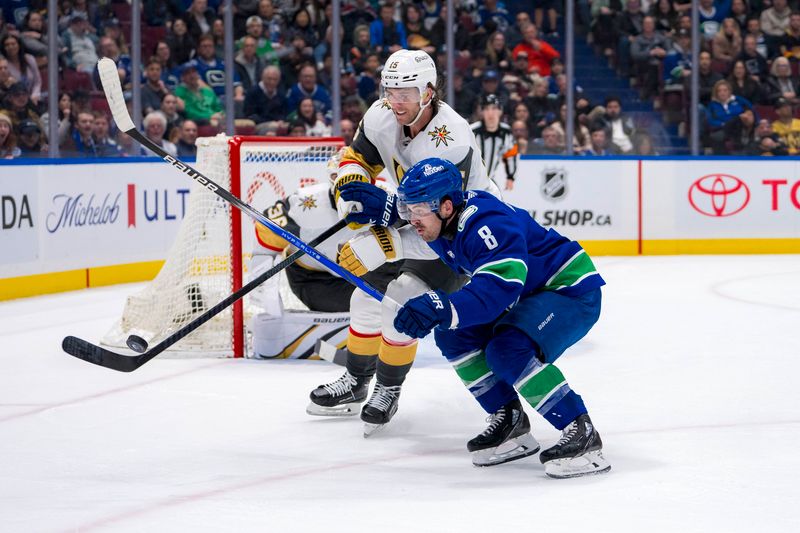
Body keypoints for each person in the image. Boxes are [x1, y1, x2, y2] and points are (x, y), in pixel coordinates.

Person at [337, 157, 610, 477]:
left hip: (569, 291)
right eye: (409, 211)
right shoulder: (441, 219)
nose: (413, 219)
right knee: (453, 334)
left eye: (418, 211)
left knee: (508, 349)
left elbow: (501, 286)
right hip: (532, 293)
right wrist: (390, 207)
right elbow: (418, 223)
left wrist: (443, 306)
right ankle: (509, 422)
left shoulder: (487, 224)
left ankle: (582, 431)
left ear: (448, 206)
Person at [306, 49, 499, 434]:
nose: (396, 101)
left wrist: (385, 230)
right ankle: (357, 382)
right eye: (390, 90)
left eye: (406, 93)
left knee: (401, 302)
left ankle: (388, 389)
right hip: (416, 218)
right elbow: (357, 157)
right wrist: (352, 185)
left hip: (458, 233)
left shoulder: (451, 138)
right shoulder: (381, 115)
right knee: (363, 297)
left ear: (428, 92)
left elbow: (441, 219)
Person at [249, 151, 402, 361]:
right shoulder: (303, 205)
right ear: (332, 179)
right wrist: (265, 296)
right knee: (370, 312)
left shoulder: (386, 198)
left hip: (361, 276)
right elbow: (265, 231)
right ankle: (323, 340)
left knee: (389, 305)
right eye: (340, 180)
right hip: (314, 279)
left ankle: (335, 339)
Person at [471, 94, 518, 191]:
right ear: (482, 112)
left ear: (500, 111)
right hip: (471, 181)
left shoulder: (506, 132)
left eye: (494, 108)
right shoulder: (472, 131)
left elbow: (511, 154)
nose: (490, 113)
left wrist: (510, 176)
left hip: (490, 182)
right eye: (487, 109)